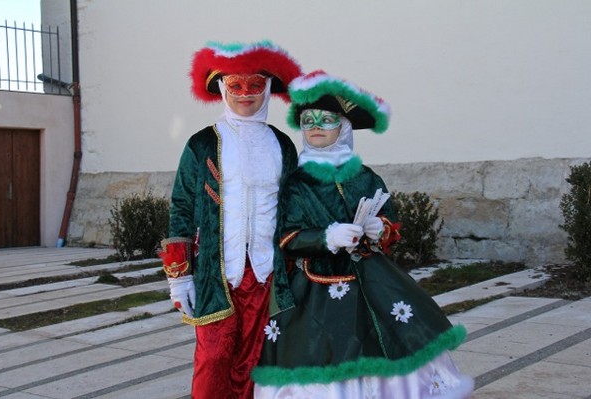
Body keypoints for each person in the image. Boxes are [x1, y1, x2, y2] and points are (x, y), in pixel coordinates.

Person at [252, 70, 474, 398]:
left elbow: (390, 223)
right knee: (323, 350)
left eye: (326, 119)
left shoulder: (366, 177)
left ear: (343, 127)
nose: (315, 126)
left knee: (393, 341)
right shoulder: (296, 182)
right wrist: (325, 237)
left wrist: (378, 228)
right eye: (308, 119)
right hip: (316, 288)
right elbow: (286, 235)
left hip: (373, 280)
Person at [158, 40, 301, 399]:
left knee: (257, 360)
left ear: (267, 88)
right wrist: (179, 278)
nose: (245, 94)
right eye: (235, 85)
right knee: (213, 358)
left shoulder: (283, 145)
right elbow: (181, 208)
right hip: (215, 274)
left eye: (255, 85)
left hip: (268, 273)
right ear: (222, 88)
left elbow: (295, 207)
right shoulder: (202, 143)